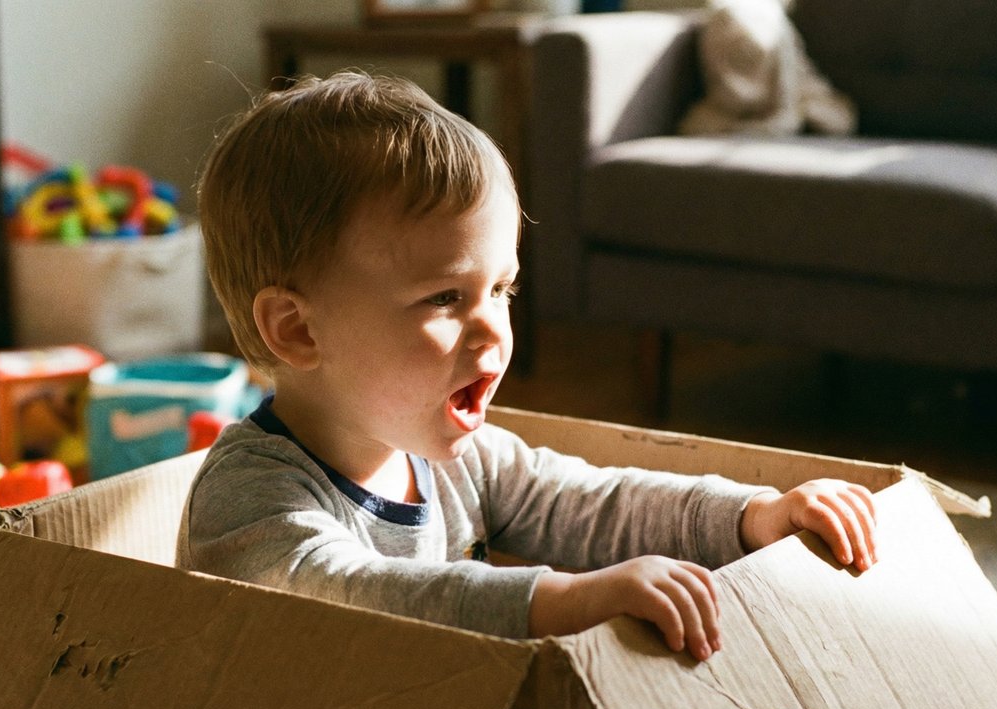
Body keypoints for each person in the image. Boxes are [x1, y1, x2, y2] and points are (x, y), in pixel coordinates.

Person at [179, 71, 877, 662]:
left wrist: (753, 516)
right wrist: (566, 598)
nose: (493, 328)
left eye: (502, 289)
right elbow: (356, 597)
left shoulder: (455, 458)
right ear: (298, 330)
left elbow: (591, 502)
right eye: (445, 297)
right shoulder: (248, 498)